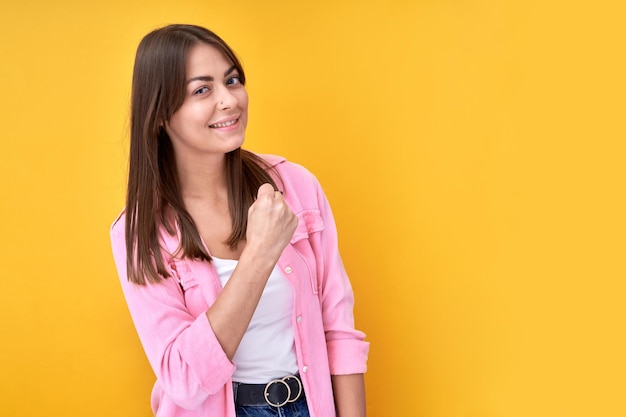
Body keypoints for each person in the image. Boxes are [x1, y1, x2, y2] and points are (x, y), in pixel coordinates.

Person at [110, 24, 369, 417]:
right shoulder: (141, 232)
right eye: (202, 89)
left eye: (232, 80)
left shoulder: (294, 185)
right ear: (161, 113)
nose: (229, 100)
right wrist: (259, 254)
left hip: (309, 405)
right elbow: (183, 380)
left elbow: (339, 329)